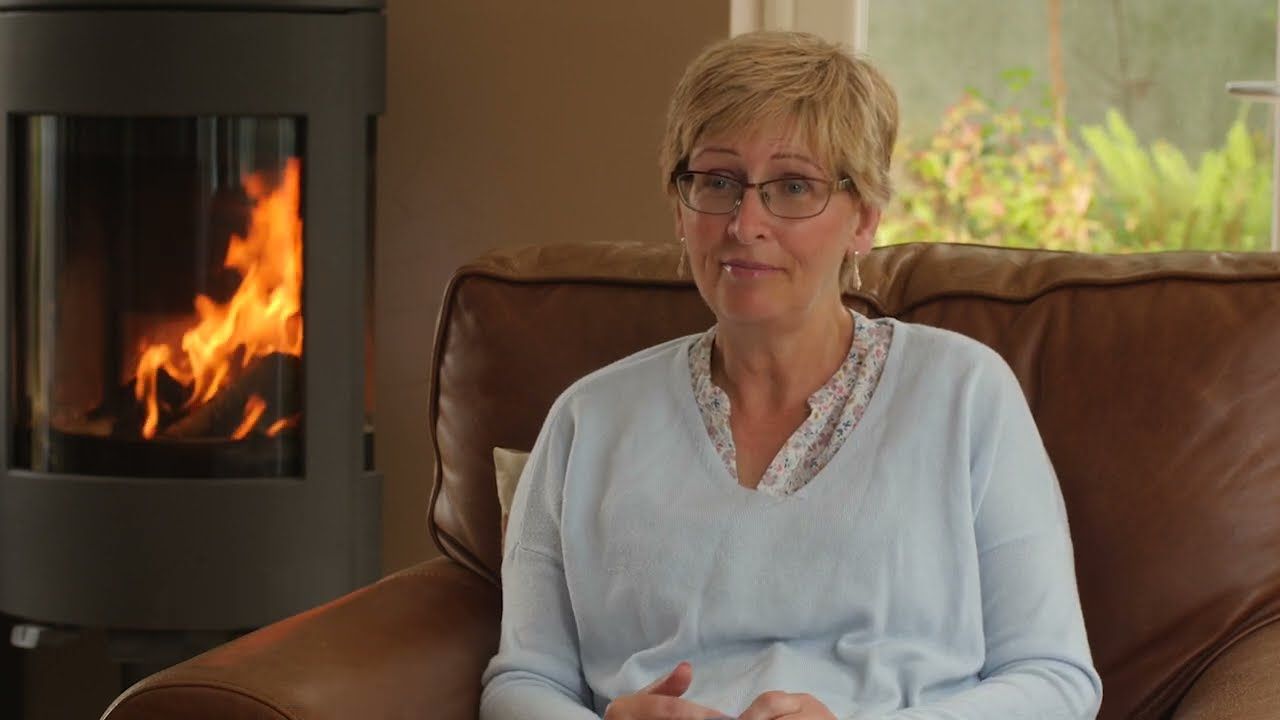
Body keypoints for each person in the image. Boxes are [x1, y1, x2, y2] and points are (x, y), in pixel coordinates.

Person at [480, 31, 1102, 720]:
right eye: (718, 182)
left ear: (864, 219)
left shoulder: (966, 394)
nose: (746, 223)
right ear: (680, 209)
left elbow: (1054, 678)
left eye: (794, 186)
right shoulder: (588, 419)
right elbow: (521, 681)